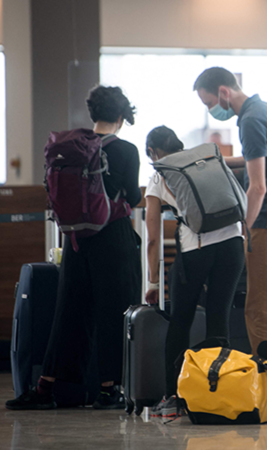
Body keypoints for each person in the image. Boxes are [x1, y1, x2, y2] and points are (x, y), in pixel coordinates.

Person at [6, 86, 142, 410]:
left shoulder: (72, 147)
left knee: (68, 311)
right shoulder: (125, 150)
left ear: (93, 115)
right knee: (114, 311)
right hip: (112, 237)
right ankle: (110, 389)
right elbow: (134, 198)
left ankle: (45, 388)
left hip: (76, 240)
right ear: (121, 117)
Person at [194, 67, 267, 411]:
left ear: (225, 92)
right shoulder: (266, 110)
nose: (212, 109)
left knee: (261, 308)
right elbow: (257, 160)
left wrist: (243, 227)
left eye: (210, 102)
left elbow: (258, 186)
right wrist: (217, 160)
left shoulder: (250, 121)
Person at [143, 126, 245, 418]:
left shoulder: (159, 174)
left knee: (180, 322)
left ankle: (173, 397)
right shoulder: (206, 159)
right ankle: (217, 394)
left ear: (152, 152)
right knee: (219, 318)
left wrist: (152, 281)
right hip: (233, 244)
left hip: (196, 251)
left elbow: (152, 238)